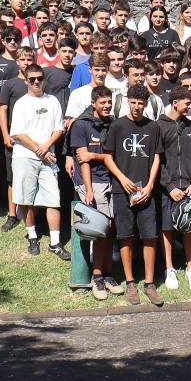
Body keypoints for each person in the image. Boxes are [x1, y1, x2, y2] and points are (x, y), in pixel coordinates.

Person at [104, 84, 165, 305]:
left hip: (146, 190)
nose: (137, 107)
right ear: (128, 101)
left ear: (146, 104)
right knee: (125, 236)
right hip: (123, 190)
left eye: (141, 103)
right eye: (133, 102)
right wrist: (122, 179)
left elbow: (157, 157)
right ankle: (130, 282)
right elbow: (108, 157)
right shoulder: (117, 126)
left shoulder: (153, 127)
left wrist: (150, 185)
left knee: (150, 236)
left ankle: (149, 283)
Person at [10, 64, 69, 259]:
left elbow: (58, 129)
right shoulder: (21, 103)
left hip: (48, 157)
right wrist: (39, 149)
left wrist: (45, 148)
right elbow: (18, 133)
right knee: (26, 200)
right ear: (26, 80)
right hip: (25, 157)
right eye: (32, 79)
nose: (36, 82)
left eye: (39, 78)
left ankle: (55, 242)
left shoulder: (52, 101)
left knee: (54, 199)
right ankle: (33, 236)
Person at [69, 85, 118, 300]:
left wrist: (98, 157)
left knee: (111, 228)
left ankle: (107, 273)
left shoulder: (113, 123)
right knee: (100, 229)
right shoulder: (81, 124)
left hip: (111, 180)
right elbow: (83, 159)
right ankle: (97, 276)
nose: (107, 106)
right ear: (93, 104)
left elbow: (104, 155)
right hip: (92, 183)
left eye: (109, 102)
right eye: (103, 103)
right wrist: (88, 190)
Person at [157, 88, 191, 293]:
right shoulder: (158, 127)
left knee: (190, 228)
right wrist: (169, 187)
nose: (190, 106)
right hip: (168, 189)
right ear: (175, 102)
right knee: (167, 228)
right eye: (187, 103)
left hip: (189, 187)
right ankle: (169, 268)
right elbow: (156, 161)